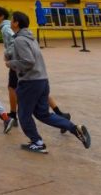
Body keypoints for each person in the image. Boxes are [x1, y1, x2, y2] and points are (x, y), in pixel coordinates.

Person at [5, 11, 91, 154]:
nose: (10, 23)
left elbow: (28, 61)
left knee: (24, 115)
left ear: (16, 23)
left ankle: (37, 142)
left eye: (12, 20)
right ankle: (75, 128)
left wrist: (11, 63)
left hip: (30, 82)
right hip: (42, 80)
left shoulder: (20, 40)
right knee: (43, 114)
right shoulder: (31, 38)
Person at [0, 5, 71, 135]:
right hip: (25, 66)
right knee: (38, 90)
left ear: (2, 16)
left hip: (18, 62)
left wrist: (9, 56)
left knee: (12, 87)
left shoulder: (6, 29)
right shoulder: (9, 27)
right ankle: (60, 114)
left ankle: (14, 115)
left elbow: (15, 43)